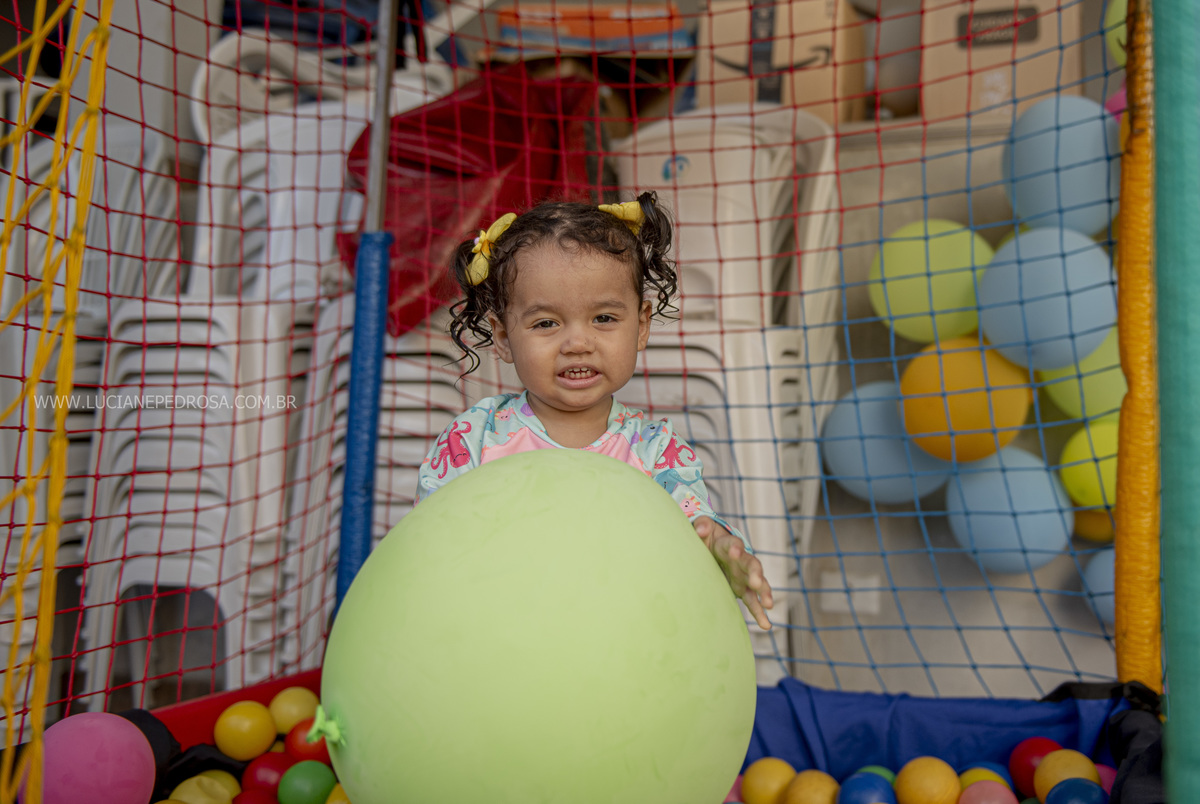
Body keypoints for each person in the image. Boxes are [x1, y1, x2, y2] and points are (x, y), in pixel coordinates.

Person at [415, 191, 774, 630]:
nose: (577, 343)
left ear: (641, 325)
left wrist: (720, 548)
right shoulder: (474, 439)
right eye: (546, 323)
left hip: (622, 641)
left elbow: (696, 525)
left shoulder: (655, 450)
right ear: (504, 336)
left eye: (603, 318)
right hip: (502, 637)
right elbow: (428, 547)